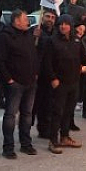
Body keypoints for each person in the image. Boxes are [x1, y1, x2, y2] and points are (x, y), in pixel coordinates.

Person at [0, 9, 40, 159]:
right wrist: (9, 80)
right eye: (25, 18)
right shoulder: (5, 36)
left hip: (30, 82)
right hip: (15, 84)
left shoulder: (28, 35)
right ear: (16, 21)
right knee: (10, 116)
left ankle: (26, 144)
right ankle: (8, 147)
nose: (28, 21)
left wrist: (35, 73)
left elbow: (33, 55)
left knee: (27, 114)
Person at [42, 14, 86, 154]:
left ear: (71, 25)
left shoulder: (77, 41)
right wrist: (53, 78)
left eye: (66, 24)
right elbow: (47, 62)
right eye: (61, 24)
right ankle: (53, 140)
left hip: (74, 82)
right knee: (57, 112)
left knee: (68, 111)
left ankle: (65, 136)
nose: (63, 26)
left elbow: (83, 60)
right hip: (59, 82)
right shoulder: (52, 41)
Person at [33, 9, 57, 139]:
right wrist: (33, 37)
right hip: (36, 74)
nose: (50, 19)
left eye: (53, 17)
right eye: (47, 16)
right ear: (42, 17)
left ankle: (44, 129)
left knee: (48, 104)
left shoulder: (56, 33)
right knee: (32, 105)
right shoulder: (35, 31)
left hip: (50, 74)